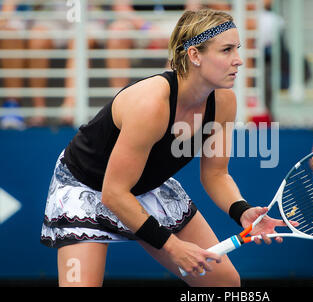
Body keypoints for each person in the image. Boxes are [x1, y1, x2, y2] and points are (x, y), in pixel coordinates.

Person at [40, 9, 289, 287]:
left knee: (224, 284)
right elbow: (114, 193)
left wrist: (241, 210)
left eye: (237, 49)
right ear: (194, 55)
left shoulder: (224, 103)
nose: (239, 60)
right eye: (227, 50)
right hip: (86, 188)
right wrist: (172, 246)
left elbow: (216, 175)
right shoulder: (151, 103)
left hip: (146, 187)